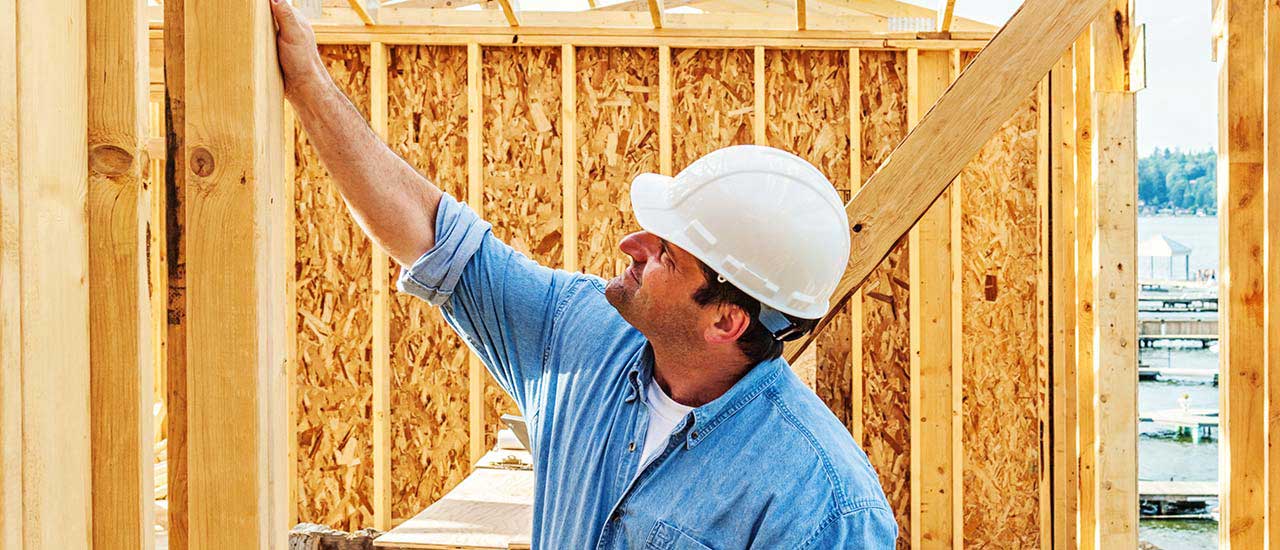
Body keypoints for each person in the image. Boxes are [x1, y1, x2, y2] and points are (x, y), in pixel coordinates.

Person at [269, 0, 896, 547]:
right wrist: (308, 83)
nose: (631, 244)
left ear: (725, 320)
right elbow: (433, 237)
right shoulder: (579, 334)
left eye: (665, 255)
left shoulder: (823, 503)